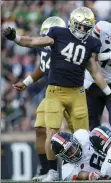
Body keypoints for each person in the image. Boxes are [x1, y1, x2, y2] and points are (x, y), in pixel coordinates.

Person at [3, 7, 111, 181]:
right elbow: (32, 42)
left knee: (83, 135)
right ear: (72, 23)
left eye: (86, 28)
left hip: (78, 93)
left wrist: (109, 93)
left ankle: (86, 169)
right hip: (55, 91)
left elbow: (95, 72)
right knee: (52, 133)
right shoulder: (59, 34)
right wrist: (15, 37)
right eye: (79, 26)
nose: (82, 31)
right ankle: (51, 172)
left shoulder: (91, 43)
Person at [12, 16, 74, 181]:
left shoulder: (67, 48)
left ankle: (74, 168)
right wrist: (26, 82)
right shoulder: (44, 48)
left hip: (70, 92)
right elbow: (43, 67)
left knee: (64, 132)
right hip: (51, 91)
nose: (46, 39)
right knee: (40, 128)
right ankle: (45, 169)